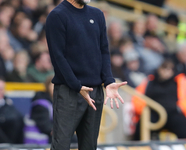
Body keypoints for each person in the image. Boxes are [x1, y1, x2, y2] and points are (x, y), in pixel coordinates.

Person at [45, 0, 127, 149]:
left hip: (95, 91)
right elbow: (58, 57)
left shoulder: (97, 14)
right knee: (61, 146)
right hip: (69, 91)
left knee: (89, 146)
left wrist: (108, 80)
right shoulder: (57, 15)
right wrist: (77, 86)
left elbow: (103, 50)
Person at [132, 59, 186, 140]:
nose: (166, 72)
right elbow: (138, 97)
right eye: (164, 68)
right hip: (153, 113)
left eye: (169, 69)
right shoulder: (149, 81)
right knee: (141, 127)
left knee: (183, 128)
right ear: (159, 69)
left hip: (173, 113)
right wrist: (142, 110)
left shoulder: (179, 82)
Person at [0, 76, 24, 143]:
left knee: (17, 122)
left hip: (7, 131)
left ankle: (16, 147)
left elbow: (17, 115)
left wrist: (2, 119)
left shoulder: (7, 102)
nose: (0, 91)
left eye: (2, 89)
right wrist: (2, 119)